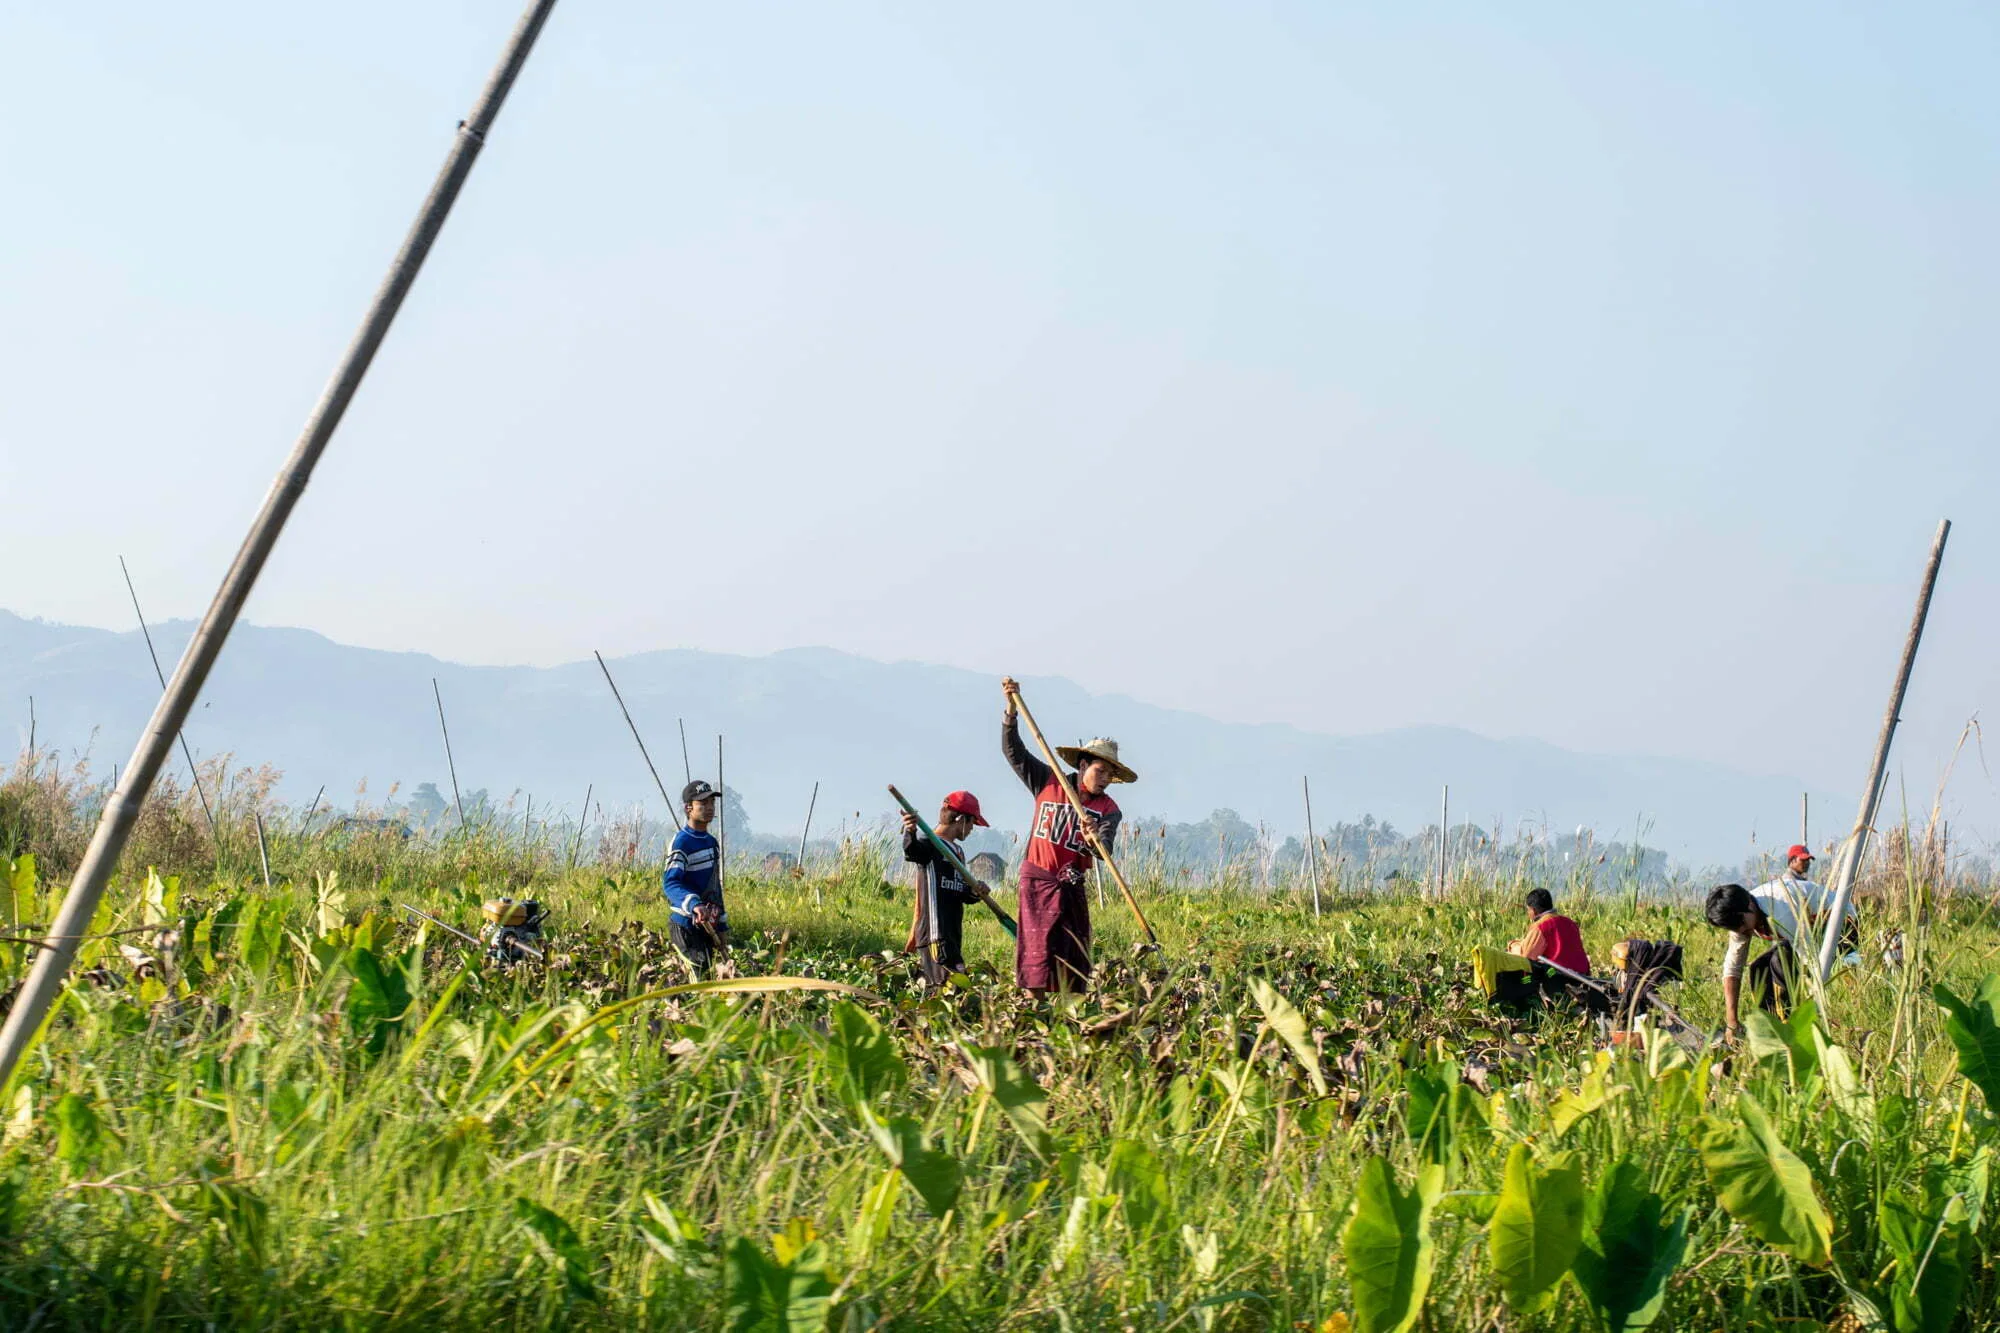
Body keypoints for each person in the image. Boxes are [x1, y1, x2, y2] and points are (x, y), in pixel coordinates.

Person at [1000, 676, 1133, 994]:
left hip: (1072, 883)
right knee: (1038, 953)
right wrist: (1010, 710)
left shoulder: (1108, 808)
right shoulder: (1049, 780)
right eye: (1100, 771)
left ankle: (1069, 1011)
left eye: (1110, 775)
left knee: (1073, 952)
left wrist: (1094, 840)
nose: (1105, 780)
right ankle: (1033, 1007)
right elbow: (1013, 752)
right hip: (1038, 879)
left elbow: (1104, 851)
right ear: (1083, 765)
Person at [1704, 872, 1831, 1036]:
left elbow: (1810, 959)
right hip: (1809, 940)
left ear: (1750, 904)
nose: (1741, 930)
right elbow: (1732, 969)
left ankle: (1791, 1026)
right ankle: (1771, 1029)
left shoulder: (1782, 909)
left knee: (1781, 960)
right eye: (1735, 928)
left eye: (1741, 924)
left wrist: (1815, 1010)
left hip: (1842, 931)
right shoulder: (1740, 917)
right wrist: (1732, 1022)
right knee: (1759, 968)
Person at [900, 791, 995, 976]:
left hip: (952, 935)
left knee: (951, 991)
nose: (972, 829)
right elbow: (912, 851)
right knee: (947, 989)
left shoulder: (957, 852)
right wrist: (910, 830)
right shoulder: (928, 843)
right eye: (972, 823)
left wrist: (976, 891)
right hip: (935, 934)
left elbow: (960, 890)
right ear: (961, 819)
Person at [663, 779, 729, 974]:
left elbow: (714, 886)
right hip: (685, 925)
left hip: (707, 925)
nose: (709, 808)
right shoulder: (682, 843)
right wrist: (694, 905)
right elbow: (671, 883)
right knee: (696, 975)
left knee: (708, 975)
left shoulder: (711, 843)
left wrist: (722, 924)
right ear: (689, 808)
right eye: (703, 804)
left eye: (711, 803)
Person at [1509, 888, 1591, 975]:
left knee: (1530, 971)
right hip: (1583, 972)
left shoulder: (1541, 927)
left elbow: (1526, 956)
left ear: (1533, 910)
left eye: (1528, 910)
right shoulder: (1570, 923)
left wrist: (1512, 945)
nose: (1528, 913)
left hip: (1559, 975)